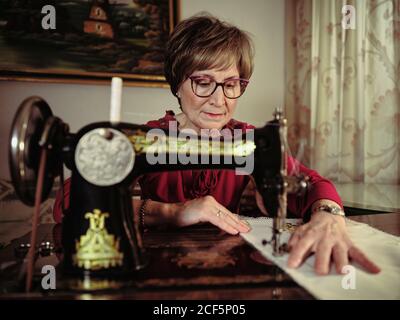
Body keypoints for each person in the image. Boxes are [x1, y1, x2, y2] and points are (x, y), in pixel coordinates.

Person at [53, 14, 380, 276]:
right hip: (154, 271)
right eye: (203, 82)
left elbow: (312, 184)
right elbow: (69, 202)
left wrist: (328, 216)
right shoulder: (149, 137)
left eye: (231, 84)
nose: (219, 100)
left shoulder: (250, 140)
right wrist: (172, 213)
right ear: (177, 84)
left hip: (224, 266)